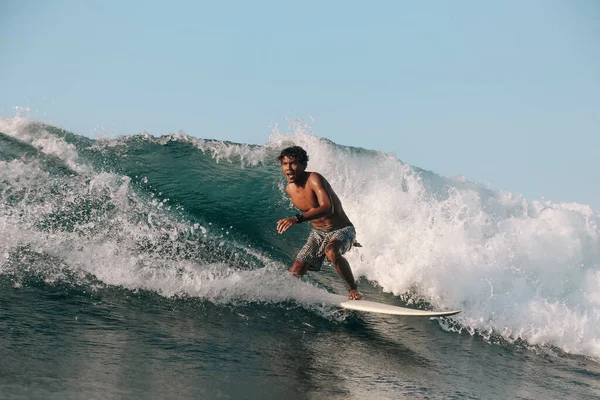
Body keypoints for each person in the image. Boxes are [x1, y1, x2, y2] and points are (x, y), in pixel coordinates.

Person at [276, 146, 363, 300]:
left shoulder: (314, 179)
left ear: (303, 165)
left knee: (331, 251)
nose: (288, 168)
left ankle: (353, 289)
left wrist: (296, 219)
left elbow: (327, 208)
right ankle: (285, 296)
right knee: (296, 269)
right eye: (285, 164)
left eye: (293, 163)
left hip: (342, 229)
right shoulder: (289, 189)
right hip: (318, 233)